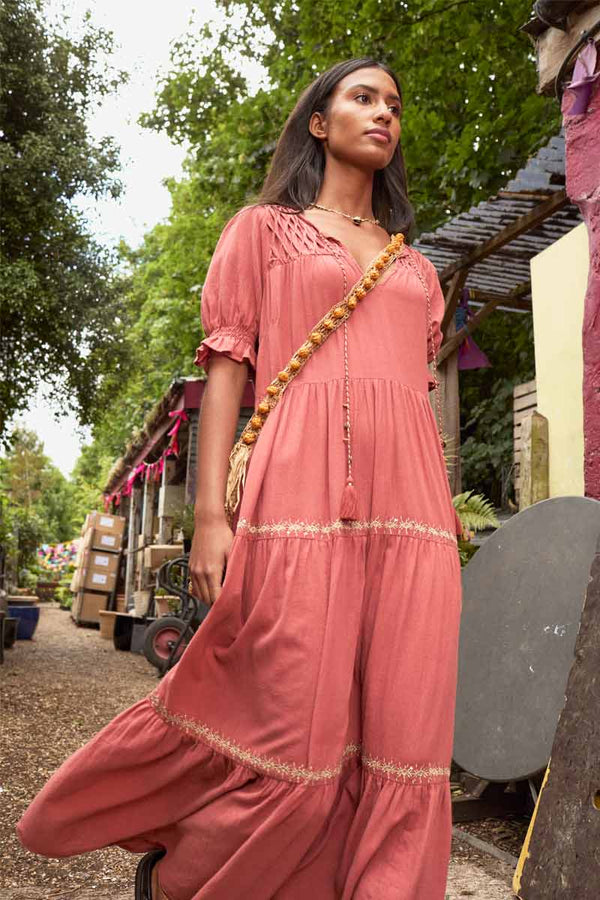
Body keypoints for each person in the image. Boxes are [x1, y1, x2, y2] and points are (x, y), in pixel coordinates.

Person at [17, 57, 463, 899]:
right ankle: (191, 876)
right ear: (319, 124)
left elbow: (419, 393)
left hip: (414, 519)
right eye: (363, 98)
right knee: (294, 724)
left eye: (394, 104)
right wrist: (211, 518)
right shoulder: (262, 232)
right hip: (298, 498)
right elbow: (227, 370)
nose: (384, 113)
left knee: (405, 737)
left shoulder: (416, 268)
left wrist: (445, 508)